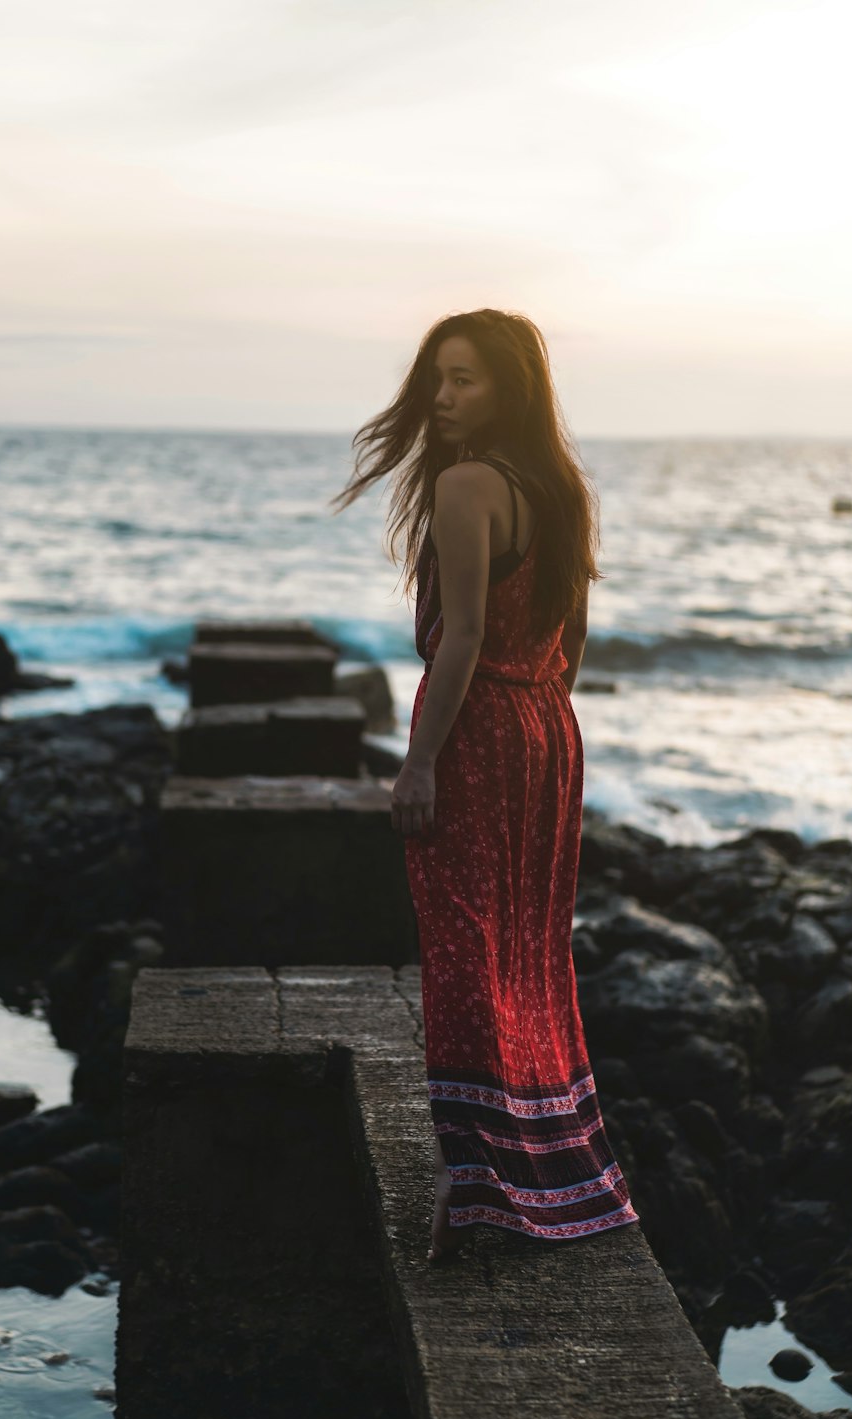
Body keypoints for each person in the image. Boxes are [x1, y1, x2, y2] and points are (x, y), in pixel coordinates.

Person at [331, 308, 640, 1263]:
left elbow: (460, 635)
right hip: (546, 727)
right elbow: (573, 633)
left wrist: (421, 761)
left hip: (480, 731)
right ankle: (549, 1177)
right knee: (526, 955)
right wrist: (538, 721)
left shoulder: (468, 486)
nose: (443, 397)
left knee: (466, 957)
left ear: (511, 388)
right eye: (438, 377)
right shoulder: (558, 488)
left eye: (465, 379)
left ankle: (474, 1198)